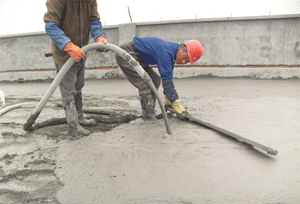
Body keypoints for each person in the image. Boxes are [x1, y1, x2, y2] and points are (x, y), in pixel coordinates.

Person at [43, 0, 107, 137]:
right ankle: (73, 126)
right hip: (64, 54)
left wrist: (99, 35)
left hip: (82, 52)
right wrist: (67, 45)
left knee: (78, 86)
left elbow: (94, 21)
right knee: (68, 90)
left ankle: (79, 117)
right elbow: (51, 26)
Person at [116, 36, 203, 120]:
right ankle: (149, 116)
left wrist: (169, 101)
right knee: (145, 83)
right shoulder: (166, 52)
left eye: (187, 61)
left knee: (155, 80)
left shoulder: (171, 54)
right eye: (185, 57)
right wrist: (176, 104)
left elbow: (168, 80)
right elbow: (167, 81)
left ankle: (150, 110)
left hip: (138, 57)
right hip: (126, 53)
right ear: (181, 47)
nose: (183, 62)